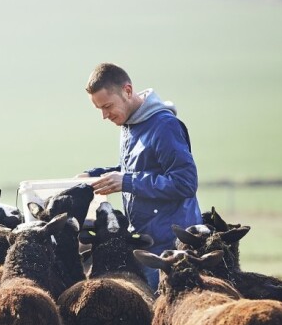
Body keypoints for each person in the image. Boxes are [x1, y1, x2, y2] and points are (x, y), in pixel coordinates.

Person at [78, 62, 202, 291]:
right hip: (146, 242)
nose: (105, 116)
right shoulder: (130, 124)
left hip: (171, 249)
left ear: (127, 91)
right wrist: (95, 175)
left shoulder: (164, 126)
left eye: (107, 106)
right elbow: (138, 167)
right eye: (100, 109)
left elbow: (185, 182)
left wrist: (126, 182)